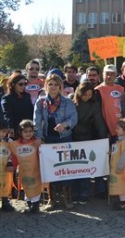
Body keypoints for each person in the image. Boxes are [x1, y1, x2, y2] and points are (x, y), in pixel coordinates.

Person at [34, 74, 78, 210]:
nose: (53, 87)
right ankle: (51, 199)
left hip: (64, 138)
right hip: (48, 139)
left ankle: (67, 198)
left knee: (66, 168)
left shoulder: (67, 102)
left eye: (56, 84)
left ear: (60, 87)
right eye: (50, 84)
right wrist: (39, 137)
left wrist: (64, 125)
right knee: (50, 169)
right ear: (46, 86)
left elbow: (74, 118)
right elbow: (37, 121)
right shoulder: (41, 102)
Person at [71, 82, 108, 204]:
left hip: (86, 137)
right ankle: (74, 193)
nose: (87, 97)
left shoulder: (93, 104)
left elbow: (99, 121)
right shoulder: (71, 101)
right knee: (73, 168)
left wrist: (103, 136)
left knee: (84, 167)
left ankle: (84, 193)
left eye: (90, 94)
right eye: (85, 94)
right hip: (71, 137)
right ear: (79, 93)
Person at [8, 120, 42, 213]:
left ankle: (35, 206)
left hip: (36, 170)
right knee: (26, 186)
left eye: (30, 131)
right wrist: (13, 166)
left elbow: (43, 155)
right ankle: (29, 204)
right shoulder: (15, 145)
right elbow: (14, 157)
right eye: (25, 132)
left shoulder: (37, 142)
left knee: (35, 186)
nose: (28, 134)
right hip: (24, 171)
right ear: (20, 132)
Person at [96, 65, 125, 139]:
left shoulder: (121, 89)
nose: (109, 76)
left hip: (121, 129)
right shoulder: (97, 90)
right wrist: (104, 130)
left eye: (112, 74)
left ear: (116, 75)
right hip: (107, 130)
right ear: (103, 75)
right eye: (107, 74)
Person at [1, 74, 34, 139]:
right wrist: (11, 127)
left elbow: (31, 112)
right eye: (20, 84)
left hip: (28, 130)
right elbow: (7, 114)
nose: (23, 86)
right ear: (13, 84)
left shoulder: (27, 96)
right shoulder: (7, 98)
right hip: (15, 130)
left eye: (25, 84)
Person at [0, 119, 15, 212]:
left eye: (4, 131)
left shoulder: (9, 141)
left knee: (6, 183)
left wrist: (10, 162)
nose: (2, 134)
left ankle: (5, 201)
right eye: (0, 131)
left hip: (5, 166)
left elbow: (12, 153)